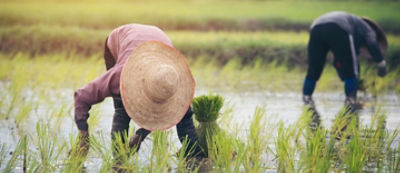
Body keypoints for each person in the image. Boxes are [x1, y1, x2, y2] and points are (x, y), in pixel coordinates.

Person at [73, 24, 205, 167]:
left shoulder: (172, 79)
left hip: (158, 43)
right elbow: (81, 96)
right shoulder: (119, 75)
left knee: (184, 115)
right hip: (122, 39)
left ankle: (196, 157)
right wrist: (83, 137)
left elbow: (164, 111)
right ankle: (119, 160)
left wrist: (141, 135)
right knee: (121, 106)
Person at [302, 11, 388, 125]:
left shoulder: (353, 24)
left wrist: (346, 79)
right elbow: (372, 43)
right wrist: (381, 64)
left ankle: (306, 98)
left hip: (316, 27)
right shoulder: (368, 29)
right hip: (338, 28)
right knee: (352, 72)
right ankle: (351, 101)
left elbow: (338, 62)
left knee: (313, 69)